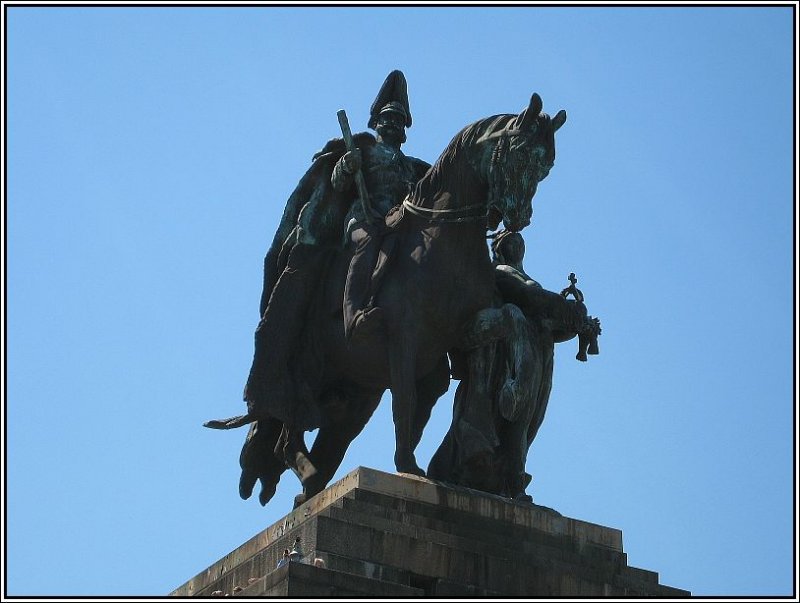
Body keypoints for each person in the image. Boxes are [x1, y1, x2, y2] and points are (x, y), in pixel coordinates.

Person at [243, 70, 430, 430]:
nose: (392, 125)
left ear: (405, 128)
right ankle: (354, 311)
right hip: (362, 218)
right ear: (377, 122)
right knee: (366, 244)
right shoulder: (363, 150)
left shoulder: (412, 167)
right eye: (387, 119)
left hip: (396, 226)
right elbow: (337, 182)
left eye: (398, 120)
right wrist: (346, 167)